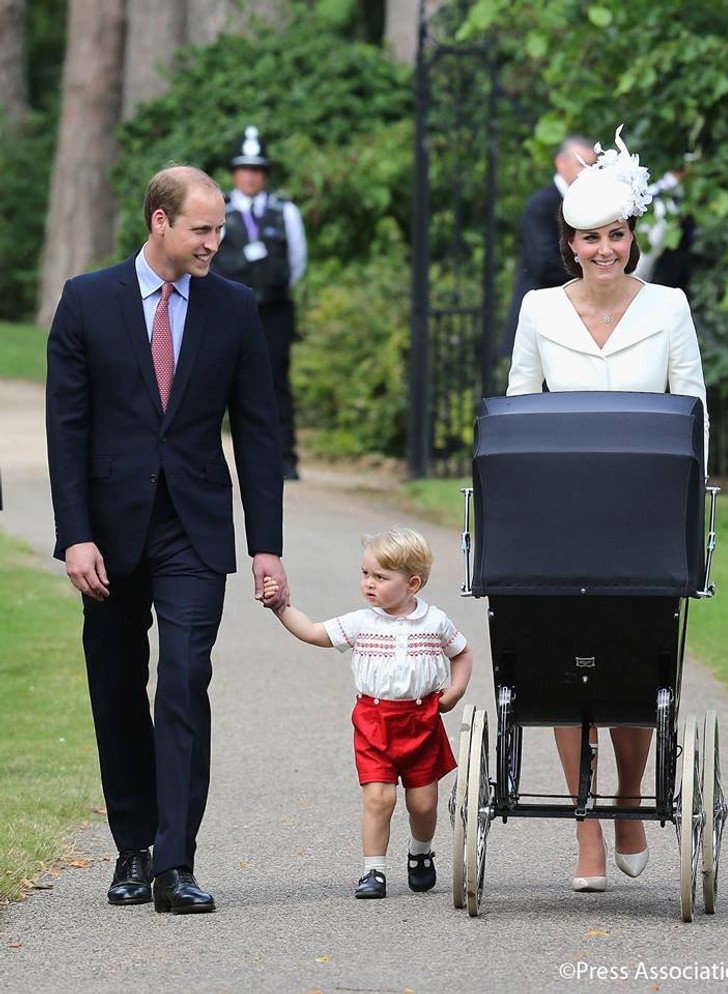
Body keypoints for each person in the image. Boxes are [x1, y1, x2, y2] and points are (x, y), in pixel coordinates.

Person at [45, 165, 289, 915]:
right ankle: (133, 848)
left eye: (217, 229)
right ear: (160, 222)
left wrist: (266, 545)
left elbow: (256, 430)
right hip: (109, 536)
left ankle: (174, 864)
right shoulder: (88, 301)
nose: (216, 242)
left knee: (184, 679)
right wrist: (74, 538)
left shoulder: (234, 308)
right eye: (203, 230)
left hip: (193, 526)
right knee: (118, 688)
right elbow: (67, 429)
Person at [506, 125, 709, 893]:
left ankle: (627, 798)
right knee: (560, 671)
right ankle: (585, 824)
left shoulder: (668, 305)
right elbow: (519, 410)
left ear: (631, 236)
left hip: (644, 517)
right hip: (555, 520)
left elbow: (691, 411)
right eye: (588, 238)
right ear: (570, 242)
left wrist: (688, 510)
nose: (603, 250)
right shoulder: (538, 311)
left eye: (615, 235)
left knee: (632, 667)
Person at [263, 527, 473, 900]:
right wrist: (281, 607)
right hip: (374, 722)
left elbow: (462, 653)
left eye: (380, 577)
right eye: (365, 574)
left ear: (412, 583)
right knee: (380, 798)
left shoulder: (434, 622)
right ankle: (373, 870)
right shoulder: (362, 622)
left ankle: (420, 852)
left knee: (423, 803)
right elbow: (313, 632)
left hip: (421, 720)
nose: (369, 584)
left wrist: (455, 691)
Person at [211, 126, 307, 480]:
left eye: (257, 169)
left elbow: (297, 262)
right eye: (244, 168)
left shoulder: (285, 212)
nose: (250, 176)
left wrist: (272, 288)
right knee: (217, 382)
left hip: (273, 312)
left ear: (265, 173)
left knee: (275, 383)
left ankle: (285, 459)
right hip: (226, 312)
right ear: (235, 172)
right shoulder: (220, 210)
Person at [500, 134, 596, 356]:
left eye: (593, 166)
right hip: (543, 318)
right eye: (582, 164)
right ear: (560, 163)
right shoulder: (541, 205)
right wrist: (593, 273)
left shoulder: (590, 204)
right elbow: (543, 264)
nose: (589, 172)